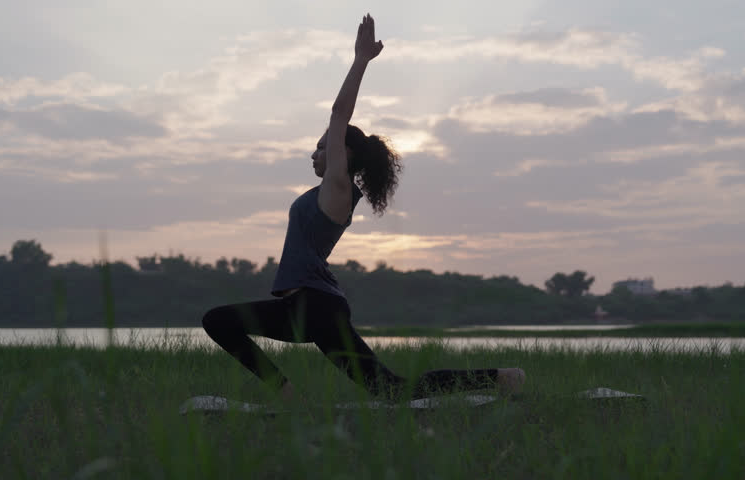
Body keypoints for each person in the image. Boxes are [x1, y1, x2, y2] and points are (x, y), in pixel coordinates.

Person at [202, 13, 525, 402]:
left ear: (344, 154)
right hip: (303, 307)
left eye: (323, 147)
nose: (315, 152)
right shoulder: (325, 193)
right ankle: (501, 378)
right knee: (390, 389)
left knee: (220, 321)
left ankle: (285, 393)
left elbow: (340, 114)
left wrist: (360, 60)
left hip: (315, 307)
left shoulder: (338, 189)